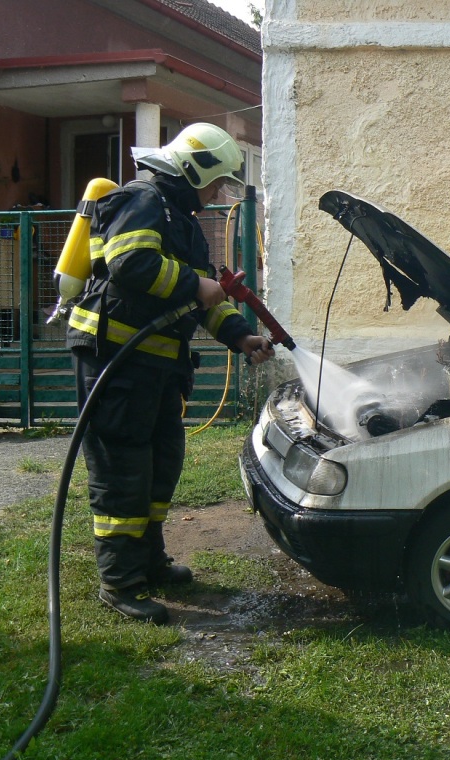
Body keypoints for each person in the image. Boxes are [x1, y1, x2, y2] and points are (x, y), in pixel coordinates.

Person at [67, 123, 274, 624]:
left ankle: (149, 560)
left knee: (162, 461)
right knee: (123, 469)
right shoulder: (142, 199)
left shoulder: (178, 217)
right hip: (114, 361)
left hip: (155, 367)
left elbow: (201, 299)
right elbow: (131, 263)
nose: (215, 193)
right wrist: (194, 284)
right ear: (191, 169)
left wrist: (239, 336)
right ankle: (120, 581)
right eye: (214, 181)